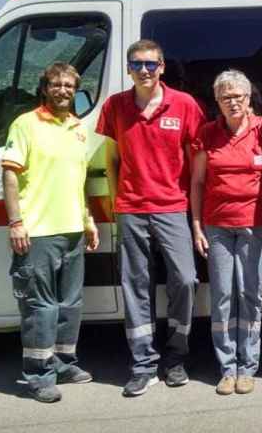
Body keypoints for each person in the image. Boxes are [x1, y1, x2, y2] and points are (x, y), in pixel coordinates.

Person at [96, 39, 206, 397]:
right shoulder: (115, 106)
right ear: (128, 68)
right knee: (135, 286)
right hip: (130, 209)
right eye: (137, 64)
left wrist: (193, 212)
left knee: (185, 279)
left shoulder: (185, 105)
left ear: (162, 67)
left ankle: (175, 357)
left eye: (151, 64)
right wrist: (117, 203)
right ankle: (143, 364)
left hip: (172, 206)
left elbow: (197, 164)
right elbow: (110, 159)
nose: (145, 70)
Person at [1, 62, 100, 403]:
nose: (63, 90)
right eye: (56, 85)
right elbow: (10, 176)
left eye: (69, 86)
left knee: (69, 305)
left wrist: (87, 220)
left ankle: (63, 363)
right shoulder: (25, 124)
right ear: (44, 88)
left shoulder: (77, 127)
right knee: (40, 308)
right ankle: (38, 375)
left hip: (72, 229)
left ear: (76, 91)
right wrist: (16, 222)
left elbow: (78, 180)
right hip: (38, 232)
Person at [190, 70, 262, 396]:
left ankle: (248, 365)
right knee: (223, 297)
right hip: (217, 226)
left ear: (249, 99)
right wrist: (196, 224)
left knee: (250, 295)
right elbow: (196, 182)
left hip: (256, 224)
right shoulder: (207, 134)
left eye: (239, 96)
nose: (233, 101)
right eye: (226, 97)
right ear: (217, 102)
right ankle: (227, 368)